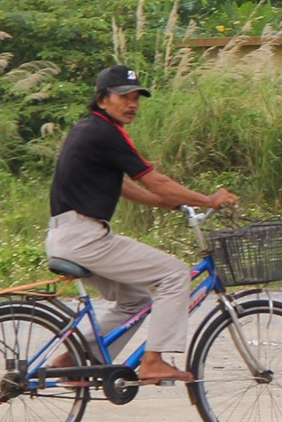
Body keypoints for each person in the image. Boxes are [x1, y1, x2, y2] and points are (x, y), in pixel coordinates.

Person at [46, 65, 239, 384]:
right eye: (123, 96)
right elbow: (156, 181)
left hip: (65, 235)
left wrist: (168, 202)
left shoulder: (89, 129)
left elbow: (125, 186)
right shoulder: (106, 133)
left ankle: (75, 360)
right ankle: (153, 361)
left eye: (136, 97)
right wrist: (208, 199)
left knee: (135, 299)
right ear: (102, 99)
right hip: (84, 238)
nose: (132, 103)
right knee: (175, 274)